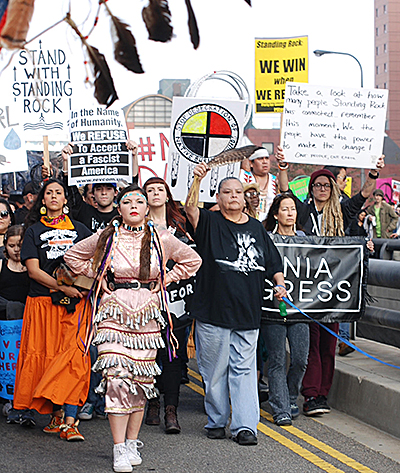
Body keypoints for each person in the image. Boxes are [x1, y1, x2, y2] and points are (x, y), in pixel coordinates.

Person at [64, 184, 201, 472]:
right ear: (119, 207)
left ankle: (131, 442)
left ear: (147, 207)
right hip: (113, 313)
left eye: (140, 201)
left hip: (147, 314)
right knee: (116, 379)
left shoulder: (162, 238)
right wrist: (98, 275)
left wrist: (165, 278)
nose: (135, 206)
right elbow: (73, 257)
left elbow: (192, 260)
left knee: (140, 382)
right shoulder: (107, 236)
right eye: (128, 202)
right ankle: (117, 448)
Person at [276, 147, 384, 416]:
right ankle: (310, 395)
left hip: (333, 288)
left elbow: (365, 194)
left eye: (326, 184)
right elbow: (285, 193)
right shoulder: (303, 212)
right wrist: (282, 167)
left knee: (328, 343)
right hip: (306, 288)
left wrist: (373, 172)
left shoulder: (344, 210)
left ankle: (322, 394)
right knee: (309, 343)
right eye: (317, 185)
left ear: (333, 187)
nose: (322, 188)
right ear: (311, 189)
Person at [185, 163, 286, 446]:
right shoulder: (209, 222)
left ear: (245, 197)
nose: (232, 196)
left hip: (248, 311)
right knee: (214, 370)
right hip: (213, 310)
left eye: (237, 192)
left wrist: (279, 283)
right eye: (226, 192)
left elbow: (272, 261)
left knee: (243, 370)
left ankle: (245, 426)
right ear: (218, 198)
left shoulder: (256, 227)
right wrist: (197, 181)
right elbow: (190, 210)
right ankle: (216, 420)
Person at [13, 179, 92, 439]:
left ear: (66, 199)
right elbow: (33, 271)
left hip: (76, 305)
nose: (55, 196)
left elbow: (92, 262)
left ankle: (71, 421)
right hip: (43, 303)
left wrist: (78, 288)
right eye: (49, 193)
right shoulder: (33, 231)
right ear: (42, 200)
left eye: (59, 192)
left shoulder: (80, 229)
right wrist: (62, 287)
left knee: (74, 358)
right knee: (48, 358)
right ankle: (57, 413)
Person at [142, 176, 194, 434]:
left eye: (159, 189)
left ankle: (170, 409)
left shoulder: (182, 224)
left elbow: (193, 258)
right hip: (146, 299)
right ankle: (152, 401)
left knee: (172, 355)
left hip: (177, 299)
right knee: (150, 352)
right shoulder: (136, 224)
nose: (155, 194)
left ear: (167, 194)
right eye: (149, 190)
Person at [261, 193, 309, 426]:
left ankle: (290, 396)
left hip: (299, 309)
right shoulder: (267, 239)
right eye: (285, 209)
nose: (290, 213)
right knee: (277, 359)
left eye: (293, 209)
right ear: (276, 214)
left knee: (300, 358)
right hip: (272, 308)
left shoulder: (306, 239)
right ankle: (280, 407)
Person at [0, 225, 30, 424]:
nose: (16, 250)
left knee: (25, 361)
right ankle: (6, 399)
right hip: (4, 321)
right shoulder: (1, 265)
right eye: (12, 246)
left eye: (20, 245)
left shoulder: (32, 265)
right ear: (5, 247)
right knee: (6, 363)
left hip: (28, 319)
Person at [240, 147, 277, 221]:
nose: (264, 162)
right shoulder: (243, 175)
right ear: (251, 163)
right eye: (260, 159)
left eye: (267, 158)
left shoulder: (275, 180)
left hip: (269, 224)